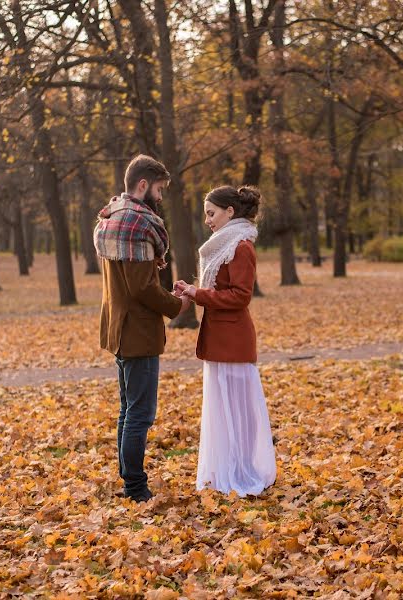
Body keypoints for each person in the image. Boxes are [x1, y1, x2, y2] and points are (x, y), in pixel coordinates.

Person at [94, 154, 191, 503]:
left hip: (119, 329)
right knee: (140, 413)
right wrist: (178, 305)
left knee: (128, 409)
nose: (161, 198)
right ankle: (135, 487)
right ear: (143, 185)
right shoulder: (136, 225)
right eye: (160, 190)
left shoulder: (113, 217)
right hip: (137, 333)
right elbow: (141, 288)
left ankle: (127, 481)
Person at [174, 185, 277, 496]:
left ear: (230, 212)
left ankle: (242, 471)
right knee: (222, 409)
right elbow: (219, 288)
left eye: (211, 213)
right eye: (206, 214)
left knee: (238, 412)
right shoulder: (222, 245)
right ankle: (226, 469)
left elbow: (240, 296)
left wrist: (197, 293)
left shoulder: (241, 246)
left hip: (234, 340)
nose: (207, 220)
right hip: (219, 338)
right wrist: (192, 290)